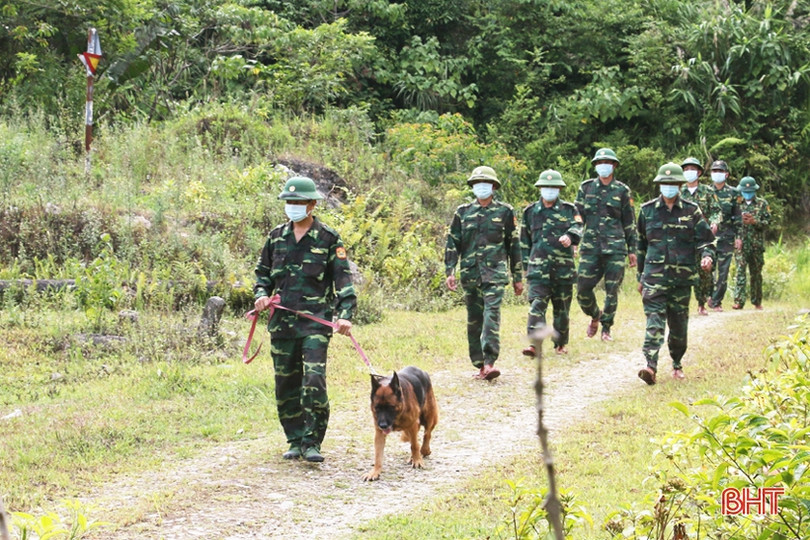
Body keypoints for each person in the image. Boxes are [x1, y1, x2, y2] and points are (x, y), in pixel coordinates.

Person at [253, 176, 357, 463]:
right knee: (286, 383)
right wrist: (261, 295)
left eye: (299, 202)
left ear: (312, 204)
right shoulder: (275, 237)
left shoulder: (328, 239)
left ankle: (313, 442)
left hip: (315, 323)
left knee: (313, 380)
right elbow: (262, 275)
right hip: (282, 324)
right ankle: (295, 439)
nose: (293, 207)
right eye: (290, 202)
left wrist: (345, 315)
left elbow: (343, 281)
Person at [636, 163, 715, 385]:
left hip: (681, 279)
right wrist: (640, 277)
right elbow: (641, 245)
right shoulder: (647, 210)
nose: (668, 187)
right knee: (654, 320)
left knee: (679, 327)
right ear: (659, 185)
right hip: (654, 277)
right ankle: (650, 365)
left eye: (672, 184)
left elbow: (706, 240)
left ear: (680, 185)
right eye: (665, 183)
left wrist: (706, 255)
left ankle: (677, 362)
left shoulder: (692, 211)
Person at [445, 166, 523, 380]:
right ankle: (479, 364)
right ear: (472, 187)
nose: (481, 187)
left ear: (493, 186)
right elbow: (453, 243)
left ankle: (489, 362)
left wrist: (518, 277)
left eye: (485, 183)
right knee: (474, 319)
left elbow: (513, 245)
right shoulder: (462, 212)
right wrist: (449, 271)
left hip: (495, 274)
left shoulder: (505, 212)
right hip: (471, 274)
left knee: (491, 315)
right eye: (477, 184)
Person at [575, 148, 637, 341]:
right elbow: (577, 218)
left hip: (615, 248)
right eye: (600, 163)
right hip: (591, 248)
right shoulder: (585, 189)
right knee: (582, 289)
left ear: (614, 166)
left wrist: (632, 250)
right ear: (595, 166)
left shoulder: (622, 190)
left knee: (612, 290)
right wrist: (574, 241)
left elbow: (629, 221)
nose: (603, 166)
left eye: (607, 163)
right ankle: (595, 315)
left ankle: (606, 329)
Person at [520, 169, 583, 356]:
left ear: (559, 189)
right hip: (538, 270)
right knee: (536, 306)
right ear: (540, 189)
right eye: (546, 187)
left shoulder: (569, 210)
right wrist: (524, 269)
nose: (549, 190)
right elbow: (524, 242)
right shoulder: (530, 212)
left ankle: (560, 344)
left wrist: (570, 236)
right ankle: (534, 343)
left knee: (561, 310)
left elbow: (579, 226)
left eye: (553, 187)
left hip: (562, 270)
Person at [680, 157, 722, 316]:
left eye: (692, 169)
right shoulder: (679, 191)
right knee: (683, 271)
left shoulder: (708, 192)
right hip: (683, 237)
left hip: (702, 236)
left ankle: (701, 303)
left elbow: (717, 211)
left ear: (698, 172)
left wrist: (714, 223)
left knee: (703, 271)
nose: (689, 172)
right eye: (686, 169)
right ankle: (681, 305)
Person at [706, 160, 742, 311]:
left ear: (726, 174)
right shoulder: (706, 192)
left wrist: (739, 237)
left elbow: (738, 217)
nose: (717, 174)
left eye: (720, 171)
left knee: (723, 271)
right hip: (708, 237)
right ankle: (708, 295)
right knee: (707, 268)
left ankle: (716, 301)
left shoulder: (734, 193)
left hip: (727, 236)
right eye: (714, 171)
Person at [732, 176, 771, 310]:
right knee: (740, 272)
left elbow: (768, 223)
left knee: (756, 273)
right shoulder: (736, 204)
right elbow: (730, 224)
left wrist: (755, 222)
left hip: (756, 245)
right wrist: (736, 237)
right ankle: (738, 301)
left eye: (750, 191)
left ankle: (757, 301)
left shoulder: (762, 204)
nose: (747, 193)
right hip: (740, 244)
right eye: (745, 191)